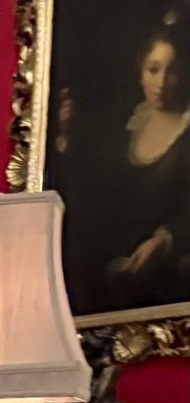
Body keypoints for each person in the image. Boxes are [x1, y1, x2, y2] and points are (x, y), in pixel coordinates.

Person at [55, 19, 190, 316]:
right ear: (140, 70)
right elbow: (91, 189)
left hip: (165, 276)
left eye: (173, 70)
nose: (162, 82)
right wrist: (68, 135)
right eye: (153, 69)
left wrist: (166, 240)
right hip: (109, 259)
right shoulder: (125, 122)